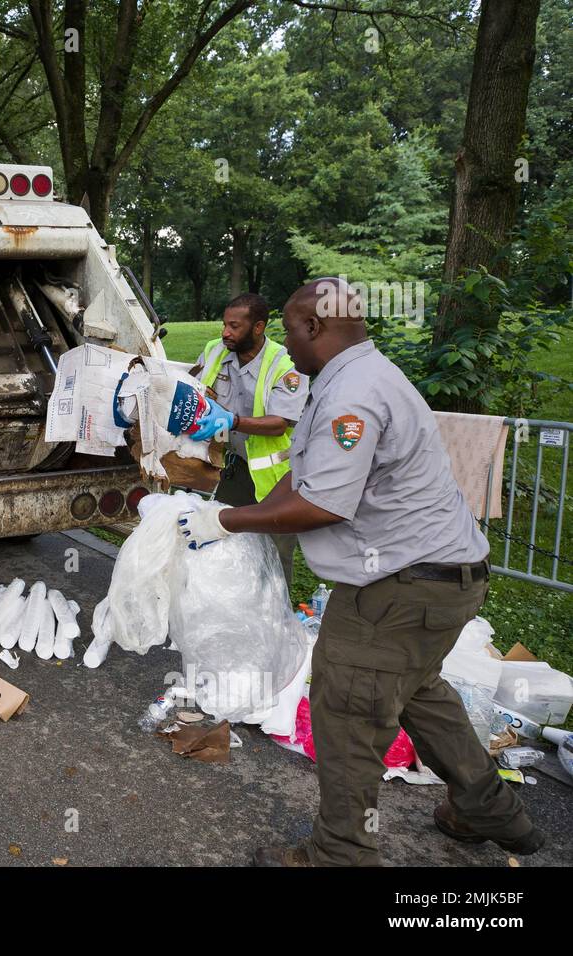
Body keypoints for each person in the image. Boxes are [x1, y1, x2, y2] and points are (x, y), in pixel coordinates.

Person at [178, 278, 543, 867]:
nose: (286, 346)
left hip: (398, 588)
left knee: (347, 711)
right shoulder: (356, 377)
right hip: (443, 580)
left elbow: (324, 505)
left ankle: (340, 855)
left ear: (313, 327)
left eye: (292, 331)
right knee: (419, 694)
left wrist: (226, 521)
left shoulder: (352, 394)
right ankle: (489, 808)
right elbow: (308, 476)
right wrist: (238, 513)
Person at [188, 292, 308, 586]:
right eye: (224, 324)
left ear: (258, 327)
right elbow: (195, 389)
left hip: (277, 476)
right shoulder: (216, 350)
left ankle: (275, 622)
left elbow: (280, 423)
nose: (225, 332)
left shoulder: (286, 363)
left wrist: (233, 421)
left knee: (274, 559)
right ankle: (231, 613)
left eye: (235, 326)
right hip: (236, 468)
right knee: (224, 542)